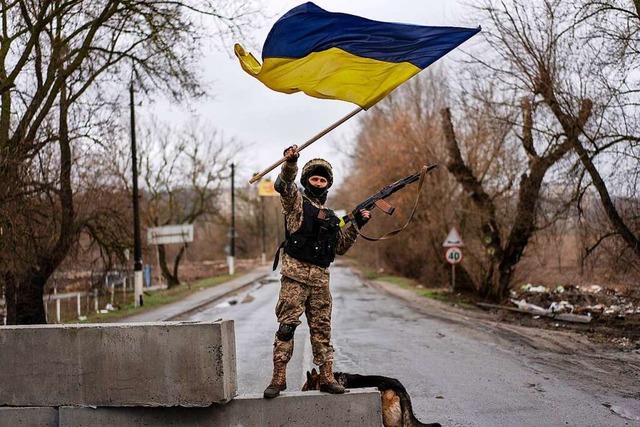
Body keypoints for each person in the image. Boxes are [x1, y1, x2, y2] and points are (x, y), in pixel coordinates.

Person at [263, 145, 371, 399]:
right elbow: (283, 187)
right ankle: (278, 378)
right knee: (287, 327)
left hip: (320, 280)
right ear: (306, 180)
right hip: (294, 278)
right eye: (315, 178)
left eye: (323, 180)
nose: (319, 183)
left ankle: (326, 377)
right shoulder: (296, 204)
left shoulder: (333, 217)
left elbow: (341, 247)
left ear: (328, 184)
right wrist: (290, 163)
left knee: (322, 330)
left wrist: (357, 224)